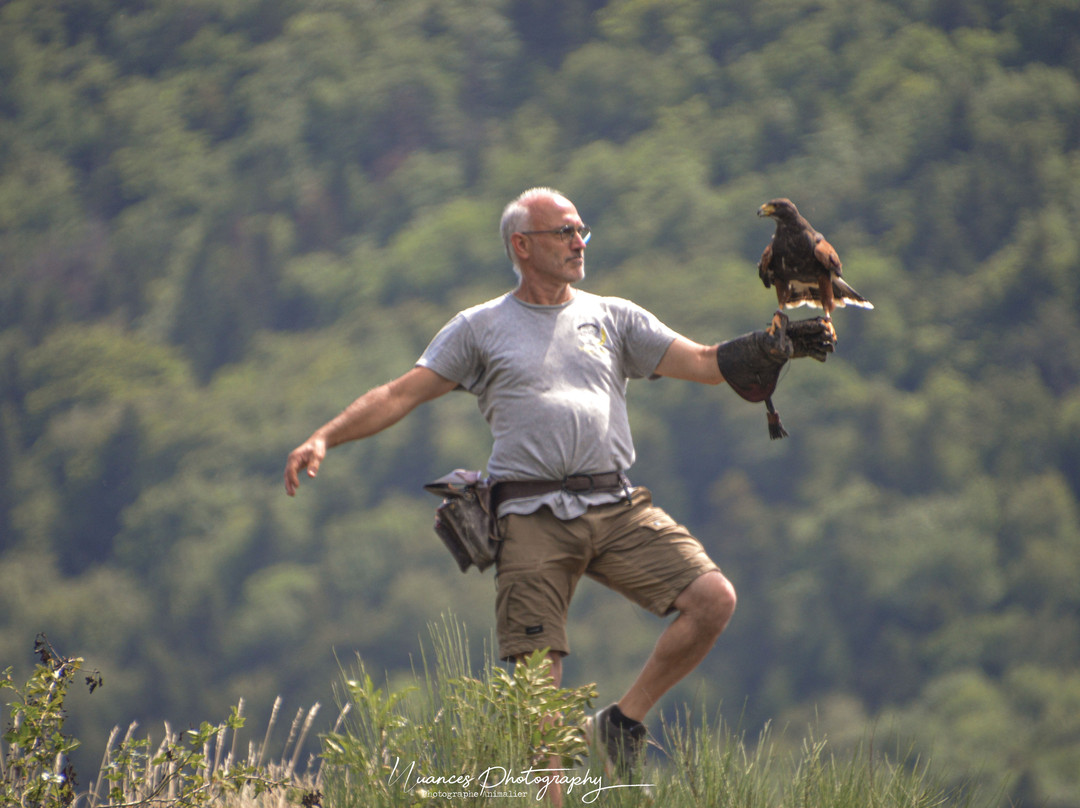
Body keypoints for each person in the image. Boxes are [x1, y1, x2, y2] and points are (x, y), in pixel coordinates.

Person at [283, 187, 832, 789]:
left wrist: (770, 345)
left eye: (581, 231)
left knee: (713, 599)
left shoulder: (613, 315)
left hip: (616, 503)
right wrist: (326, 438)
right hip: (530, 515)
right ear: (522, 246)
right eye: (564, 233)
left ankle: (619, 723)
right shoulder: (481, 327)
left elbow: (702, 362)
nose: (578, 243)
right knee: (536, 693)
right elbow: (399, 393)